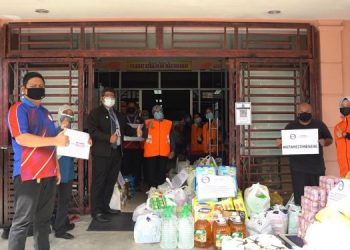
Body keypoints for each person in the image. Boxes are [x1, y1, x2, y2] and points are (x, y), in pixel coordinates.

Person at [6, 72, 69, 250]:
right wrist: (55, 140)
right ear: (24, 89)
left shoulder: (45, 112)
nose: (37, 89)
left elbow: (51, 142)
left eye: (40, 86)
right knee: (22, 223)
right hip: (28, 174)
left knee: (43, 222)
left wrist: (56, 166)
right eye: (33, 86)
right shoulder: (18, 109)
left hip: (48, 173)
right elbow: (22, 138)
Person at [87, 87, 142, 223]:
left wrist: (137, 132)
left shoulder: (118, 115)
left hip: (116, 153)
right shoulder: (95, 113)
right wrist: (107, 138)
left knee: (110, 181)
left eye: (112, 96)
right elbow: (92, 131)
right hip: (101, 153)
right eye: (107, 96)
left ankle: (105, 207)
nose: (110, 98)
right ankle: (96, 211)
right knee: (99, 182)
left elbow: (126, 129)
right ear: (102, 98)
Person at [276, 103, 333, 205]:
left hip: (316, 167)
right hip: (298, 169)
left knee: (318, 196)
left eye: (307, 112)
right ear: (298, 113)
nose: (304, 114)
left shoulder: (319, 124)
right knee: (300, 197)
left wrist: (324, 142)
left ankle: (316, 217)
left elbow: (330, 139)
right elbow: (283, 143)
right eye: (302, 112)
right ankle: (301, 217)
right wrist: (280, 143)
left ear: (311, 113)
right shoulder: (291, 126)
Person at [53, 105, 77, 240]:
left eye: (71, 115)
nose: (68, 117)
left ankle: (62, 223)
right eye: (65, 114)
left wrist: (86, 143)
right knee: (53, 201)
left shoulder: (73, 134)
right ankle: (59, 229)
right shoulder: (53, 131)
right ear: (59, 115)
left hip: (68, 171)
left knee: (65, 200)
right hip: (55, 172)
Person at [143, 105, 176, 188]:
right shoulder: (147, 122)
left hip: (164, 153)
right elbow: (143, 135)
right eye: (156, 111)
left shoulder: (168, 123)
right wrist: (147, 128)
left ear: (162, 112)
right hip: (151, 153)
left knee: (161, 174)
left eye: (159, 111)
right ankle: (151, 192)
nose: (158, 113)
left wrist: (173, 150)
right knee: (151, 174)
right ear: (153, 113)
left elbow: (172, 138)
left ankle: (160, 192)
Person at [121, 101, 144, 188]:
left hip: (136, 147)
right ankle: (126, 186)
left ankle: (136, 185)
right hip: (125, 147)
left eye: (132, 107)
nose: (131, 108)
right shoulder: (123, 118)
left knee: (137, 167)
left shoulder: (140, 119)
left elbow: (143, 131)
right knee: (125, 167)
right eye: (129, 106)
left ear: (135, 108)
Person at [334, 97, 350, 177]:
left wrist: (346, 135)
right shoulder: (337, 127)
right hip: (344, 169)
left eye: (348, 105)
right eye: (343, 106)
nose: (345, 108)